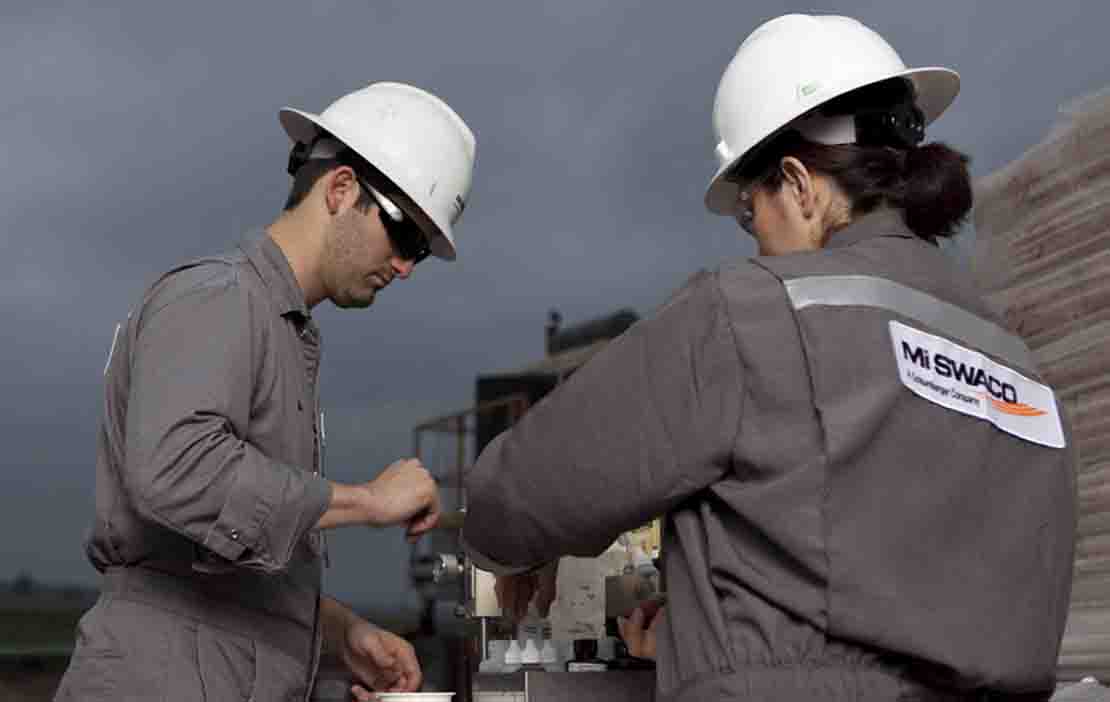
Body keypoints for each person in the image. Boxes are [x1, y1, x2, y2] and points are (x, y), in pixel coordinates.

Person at [462, 14, 1076, 702]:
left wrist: (506, 547)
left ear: (797, 181)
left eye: (750, 213)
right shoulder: (1020, 368)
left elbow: (527, 487)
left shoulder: (754, 314)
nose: (754, 242)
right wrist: (709, 630)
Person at [56, 82, 477, 702]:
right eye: (405, 235)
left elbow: (222, 562)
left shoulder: (282, 332)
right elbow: (177, 470)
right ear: (340, 189)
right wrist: (368, 501)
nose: (407, 267)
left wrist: (340, 633)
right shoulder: (218, 298)